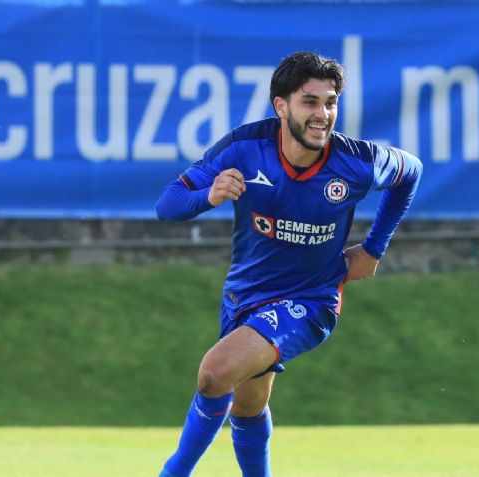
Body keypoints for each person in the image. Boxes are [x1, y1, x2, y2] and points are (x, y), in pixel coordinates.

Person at [155, 51, 422, 477]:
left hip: (311, 298)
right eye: (309, 102)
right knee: (247, 406)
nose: (323, 114)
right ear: (281, 106)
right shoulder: (244, 149)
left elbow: (412, 172)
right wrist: (208, 196)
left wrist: (374, 249)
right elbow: (168, 205)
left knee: (214, 374)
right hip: (243, 297)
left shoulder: (357, 162)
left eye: (330, 103)